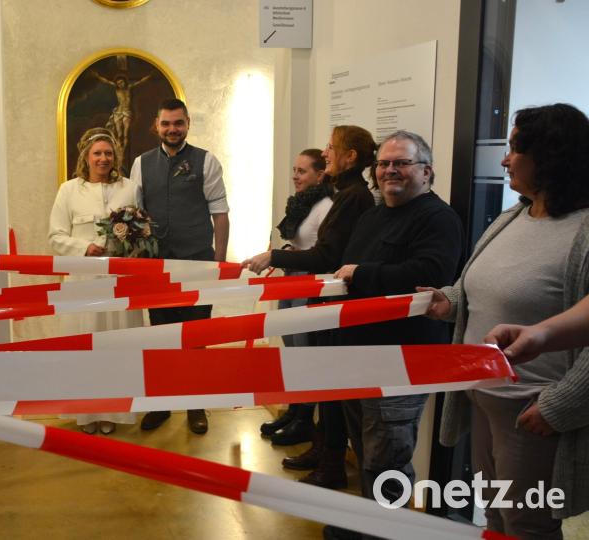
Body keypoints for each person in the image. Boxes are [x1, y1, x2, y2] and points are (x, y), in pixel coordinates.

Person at [427, 104, 589, 539]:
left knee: (528, 526)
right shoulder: (513, 216)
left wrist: (562, 404)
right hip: (485, 399)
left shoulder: (583, 231)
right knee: (496, 518)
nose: (504, 159)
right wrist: (450, 300)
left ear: (551, 156)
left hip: (533, 410)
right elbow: (479, 286)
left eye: (516, 148)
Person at [321, 131, 463, 540]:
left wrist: (363, 275)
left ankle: (390, 533)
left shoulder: (439, 218)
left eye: (401, 163)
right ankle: (369, 526)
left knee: (388, 459)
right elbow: (345, 272)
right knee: (365, 451)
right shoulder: (373, 215)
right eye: (383, 163)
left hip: (400, 360)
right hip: (356, 355)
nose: (389, 171)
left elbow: (431, 275)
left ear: (426, 171)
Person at [243, 125, 376, 488]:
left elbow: (328, 253)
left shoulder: (351, 197)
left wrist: (274, 254)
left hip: (335, 302)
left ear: (350, 157)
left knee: (328, 386)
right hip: (326, 299)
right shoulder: (345, 193)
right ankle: (324, 449)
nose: (326, 151)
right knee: (320, 380)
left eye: (332, 148)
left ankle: (331, 462)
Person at [130, 98, 230, 435]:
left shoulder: (207, 161)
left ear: (187, 123)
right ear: (156, 126)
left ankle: (196, 406)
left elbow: (220, 212)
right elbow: (134, 215)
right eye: (166, 124)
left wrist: (218, 261)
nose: (172, 129)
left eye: (178, 123)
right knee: (161, 337)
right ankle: (160, 404)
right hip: (157, 268)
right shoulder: (141, 164)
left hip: (198, 263)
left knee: (195, 338)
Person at [48, 127, 144, 434]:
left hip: (120, 280)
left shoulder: (130, 188)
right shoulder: (69, 190)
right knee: (86, 348)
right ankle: (86, 412)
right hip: (83, 283)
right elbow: (56, 236)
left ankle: (113, 413)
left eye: (108, 153)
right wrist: (83, 248)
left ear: (115, 156)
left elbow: (142, 229)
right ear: (86, 157)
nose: (103, 159)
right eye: (97, 153)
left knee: (117, 348)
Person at [259, 149, 332, 448]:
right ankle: (294, 410)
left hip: (308, 283)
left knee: (305, 355)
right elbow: (301, 241)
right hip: (291, 279)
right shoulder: (302, 204)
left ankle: (304, 421)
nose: (295, 176)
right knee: (291, 353)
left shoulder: (326, 206)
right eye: (294, 169)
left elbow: (322, 251)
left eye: (302, 171)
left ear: (320, 175)